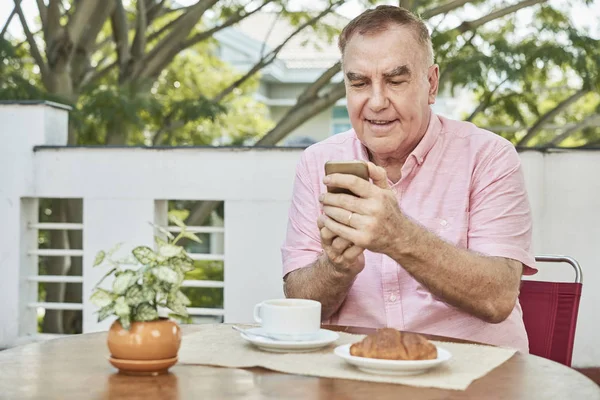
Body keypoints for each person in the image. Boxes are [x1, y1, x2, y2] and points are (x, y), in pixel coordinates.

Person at [280, 5, 537, 353]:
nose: (376, 102)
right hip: (353, 372)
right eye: (359, 82)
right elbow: (299, 301)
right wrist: (337, 267)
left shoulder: (490, 156)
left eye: (395, 81)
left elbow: (498, 297)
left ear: (430, 84)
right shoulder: (316, 162)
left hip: (472, 375)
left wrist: (396, 234)